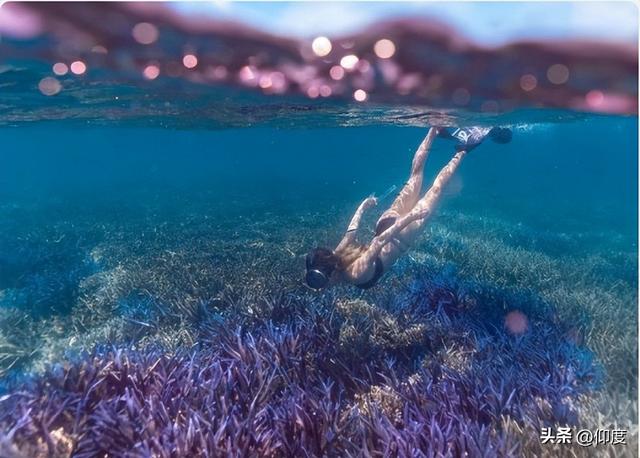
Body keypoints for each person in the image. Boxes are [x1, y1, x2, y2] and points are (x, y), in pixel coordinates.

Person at [304, 125, 512, 290]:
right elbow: (352, 231)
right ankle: (433, 129)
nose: (320, 288)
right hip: (385, 222)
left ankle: (463, 150)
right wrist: (363, 207)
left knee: (436, 190)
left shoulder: (355, 275)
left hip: (401, 234)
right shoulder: (338, 254)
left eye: (318, 282)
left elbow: (378, 243)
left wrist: (411, 218)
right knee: (415, 175)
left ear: (329, 274)